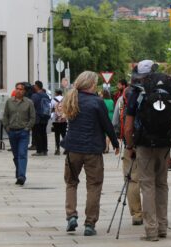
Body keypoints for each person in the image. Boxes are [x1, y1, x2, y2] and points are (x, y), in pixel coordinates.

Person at [124, 60, 171, 241]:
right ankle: (163, 227)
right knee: (162, 184)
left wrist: (130, 146)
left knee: (147, 184)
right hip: (164, 143)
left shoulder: (135, 92)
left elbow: (128, 126)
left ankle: (151, 230)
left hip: (144, 144)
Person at [61, 71, 120, 236]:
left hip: (73, 148)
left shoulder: (71, 99)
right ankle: (89, 223)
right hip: (93, 150)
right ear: (91, 85)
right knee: (94, 185)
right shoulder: (97, 102)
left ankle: (71, 215)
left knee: (71, 183)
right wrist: (115, 143)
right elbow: (107, 125)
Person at [112, 82, 143, 226]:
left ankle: (137, 214)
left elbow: (116, 122)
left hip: (130, 144)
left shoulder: (123, 98)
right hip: (151, 144)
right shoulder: (150, 94)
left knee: (132, 180)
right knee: (151, 181)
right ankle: (154, 214)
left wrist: (127, 144)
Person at [2, 83, 36, 185]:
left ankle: (22, 176)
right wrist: (7, 127)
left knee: (22, 154)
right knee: (16, 155)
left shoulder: (29, 102)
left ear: (24, 91)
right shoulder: (9, 102)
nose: (19, 91)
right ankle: (18, 173)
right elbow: (5, 116)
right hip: (12, 131)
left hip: (23, 133)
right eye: (17, 89)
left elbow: (32, 117)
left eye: (21, 89)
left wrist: (27, 128)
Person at [31, 81, 50, 156]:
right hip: (45, 117)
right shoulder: (46, 95)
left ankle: (39, 151)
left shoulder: (35, 96)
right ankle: (45, 150)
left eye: (35, 85)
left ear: (37, 86)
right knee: (43, 134)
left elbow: (32, 106)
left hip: (37, 117)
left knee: (37, 134)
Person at [51, 90, 67, 155]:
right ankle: (66, 149)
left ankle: (57, 149)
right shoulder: (65, 99)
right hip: (64, 119)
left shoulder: (53, 100)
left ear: (56, 93)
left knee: (56, 134)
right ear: (61, 93)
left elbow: (51, 108)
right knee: (64, 134)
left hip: (56, 119)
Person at [102, 89, 114, 153]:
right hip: (111, 115)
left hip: (104, 115)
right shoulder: (111, 101)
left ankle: (105, 147)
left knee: (103, 132)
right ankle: (107, 147)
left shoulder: (102, 101)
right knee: (108, 132)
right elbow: (113, 108)